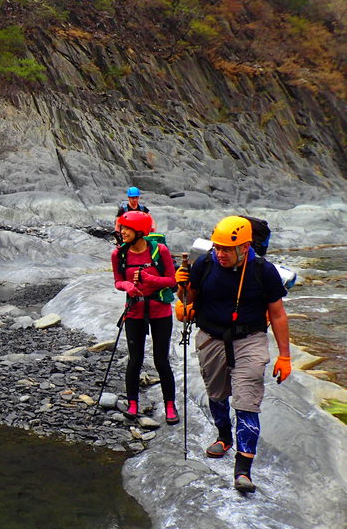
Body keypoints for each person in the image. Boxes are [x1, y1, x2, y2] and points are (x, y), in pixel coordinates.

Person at [175, 215, 291, 493]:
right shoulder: (205, 263)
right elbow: (187, 302)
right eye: (217, 247)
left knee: (246, 401)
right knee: (217, 393)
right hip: (211, 337)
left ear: (245, 246)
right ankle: (224, 436)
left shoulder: (263, 271)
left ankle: (243, 470)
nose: (220, 253)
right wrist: (181, 286)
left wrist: (284, 356)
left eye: (227, 249)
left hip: (250, 339)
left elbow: (277, 314)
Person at [111, 210, 179, 424]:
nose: (121, 232)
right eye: (121, 228)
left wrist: (149, 279)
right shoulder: (119, 254)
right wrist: (128, 285)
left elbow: (172, 281)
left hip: (160, 311)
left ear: (139, 231)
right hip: (134, 312)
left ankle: (170, 405)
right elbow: (117, 281)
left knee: (161, 360)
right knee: (135, 359)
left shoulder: (160, 251)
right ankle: (132, 402)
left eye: (126, 228)